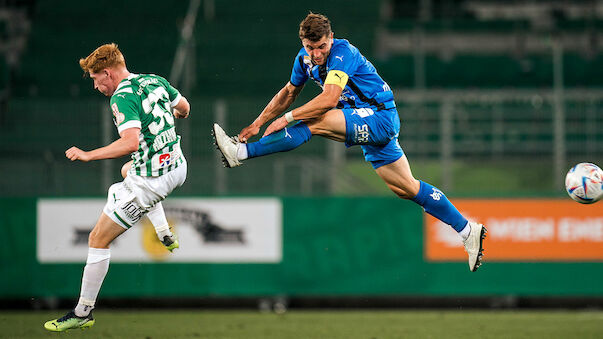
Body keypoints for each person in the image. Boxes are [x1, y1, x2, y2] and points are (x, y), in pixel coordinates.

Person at [213, 13, 486, 272]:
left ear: (331, 38)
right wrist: (258, 122)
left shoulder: (343, 53)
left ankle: (241, 153)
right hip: (361, 119)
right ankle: (467, 230)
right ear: (303, 44)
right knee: (406, 188)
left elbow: (330, 99)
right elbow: (288, 92)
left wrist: (287, 119)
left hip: (380, 117)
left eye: (321, 46)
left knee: (316, 121)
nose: (316, 53)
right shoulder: (304, 59)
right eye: (310, 47)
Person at [44, 43, 190, 332]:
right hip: (178, 166)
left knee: (98, 239)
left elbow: (130, 143)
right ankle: (164, 233)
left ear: (108, 74)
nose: (97, 86)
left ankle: (83, 311)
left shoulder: (121, 97)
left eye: (97, 80)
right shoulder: (154, 79)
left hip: (150, 182)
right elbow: (184, 108)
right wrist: (172, 120)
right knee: (125, 173)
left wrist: (88, 154)